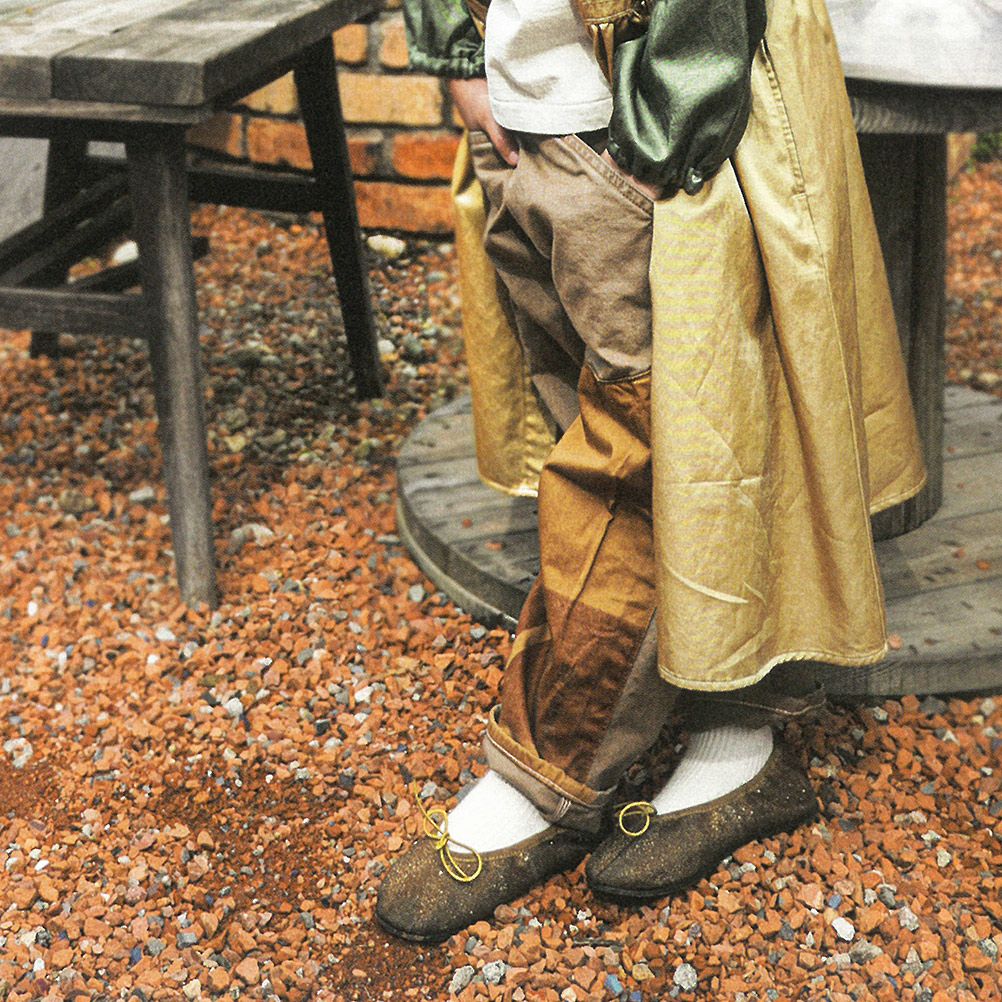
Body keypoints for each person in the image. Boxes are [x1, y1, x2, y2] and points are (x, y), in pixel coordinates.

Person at [376, 0, 926, 943]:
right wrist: (462, 52)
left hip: (649, 119)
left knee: (649, 461)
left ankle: (549, 775)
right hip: (534, 101)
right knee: (646, 420)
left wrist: (668, 123)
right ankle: (739, 728)